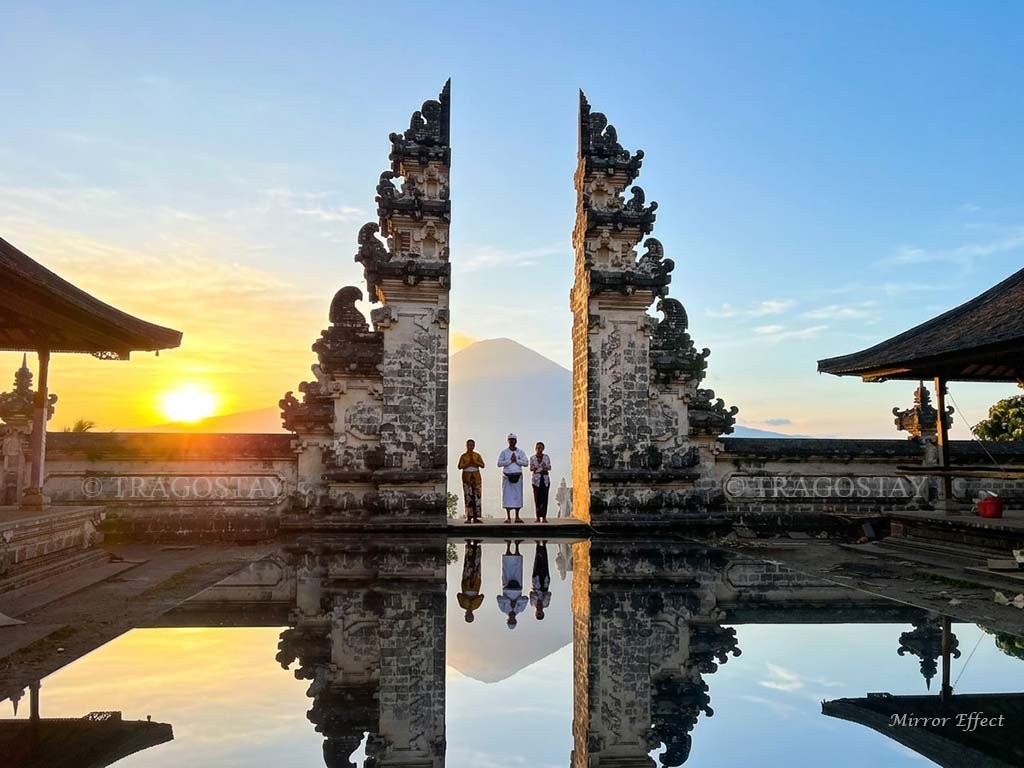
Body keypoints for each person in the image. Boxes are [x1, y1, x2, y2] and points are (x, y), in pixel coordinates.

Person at [497, 433, 528, 524]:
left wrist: (517, 461)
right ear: (508, 441)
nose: (512, 442)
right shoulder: (504, 452)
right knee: (507, 497)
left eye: (513, 440)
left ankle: (517, 516)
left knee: (517, 496)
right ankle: (508, 517)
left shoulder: (520, 452)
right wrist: (510, 460)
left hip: (517, 476)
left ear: (516, 441)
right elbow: (499, 463)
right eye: (510, 440)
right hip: (507, 476)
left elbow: (526, 463)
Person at [496, 540, 528, 629]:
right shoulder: (520, 609)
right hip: (518, 586)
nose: (511, 619)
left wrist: (509, 601)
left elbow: (499, 598)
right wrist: (516, 601)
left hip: (507, 586)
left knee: (507, 566)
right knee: (517, 566)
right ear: (515, 620)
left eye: (510, 621)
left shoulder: (503, 609)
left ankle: (508, 545)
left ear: (507, 620)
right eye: (513, 621)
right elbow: (525, 599)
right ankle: (517, 545)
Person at [457, 439, 485, 522]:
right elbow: (459, 466)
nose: (470, 446)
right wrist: (468, 463)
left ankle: (476, 517)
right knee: (468, 497)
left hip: (476, 477)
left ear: (474, 446)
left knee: (477, 497)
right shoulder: (463, 456)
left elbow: (483, 465)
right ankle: (469, 517)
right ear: (466, 446)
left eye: (472, 445)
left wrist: (475, 462)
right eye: (469, 445)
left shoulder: (477, 455)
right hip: (467, 477)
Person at [457, 540, 484, 622]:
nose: (469, 615)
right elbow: (482, 596)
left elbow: (459, 595)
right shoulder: (476, 606)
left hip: (466, 583)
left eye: (468, 616)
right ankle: (476, 545)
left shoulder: (462, 605)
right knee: (476, 564)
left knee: (468, 563)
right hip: (475, 584)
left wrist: (467, 600)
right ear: (473, 615)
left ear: (465, 615)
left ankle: (469, 546)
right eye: (471, 616)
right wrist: (472, 603)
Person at [529, 442, 552, 522]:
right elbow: (531, 468)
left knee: (544, 498)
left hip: (545, 479)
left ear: (543, 449)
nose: (539, 449)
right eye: (538, 448)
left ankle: (544, 517)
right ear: (536, 448)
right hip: (536, 480)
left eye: (541, 448)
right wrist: (538, 468)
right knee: (537, 498)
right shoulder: (532, 458)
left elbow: (549, 467)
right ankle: (538, 517)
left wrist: (544, 467)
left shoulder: (546, 457)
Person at [530, 540, 552, 620]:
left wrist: (537, 600)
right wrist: (542, 600)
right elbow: (549, 594)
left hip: (536, 583)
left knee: (537, 562)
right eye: (540, 613)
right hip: (545, 584)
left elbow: (531, 593)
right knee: (545, 562)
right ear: (543, 612)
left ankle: (538, 545)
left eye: (538, 614)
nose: (539, 612)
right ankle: (545, 545)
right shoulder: (546, 604)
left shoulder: (532, 603)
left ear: (536, 613)